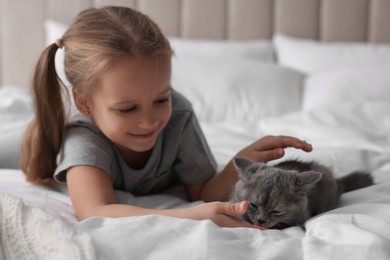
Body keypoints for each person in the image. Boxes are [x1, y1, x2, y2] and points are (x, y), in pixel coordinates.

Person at [20, 6, 312, 229]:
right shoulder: (83, 138)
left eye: (161, 99)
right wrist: (190, 215)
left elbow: (201, 189)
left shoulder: (178, 116)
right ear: (83, 103)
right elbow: (95, 210)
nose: (150, 121)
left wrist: (243, 160)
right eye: (127, 109)